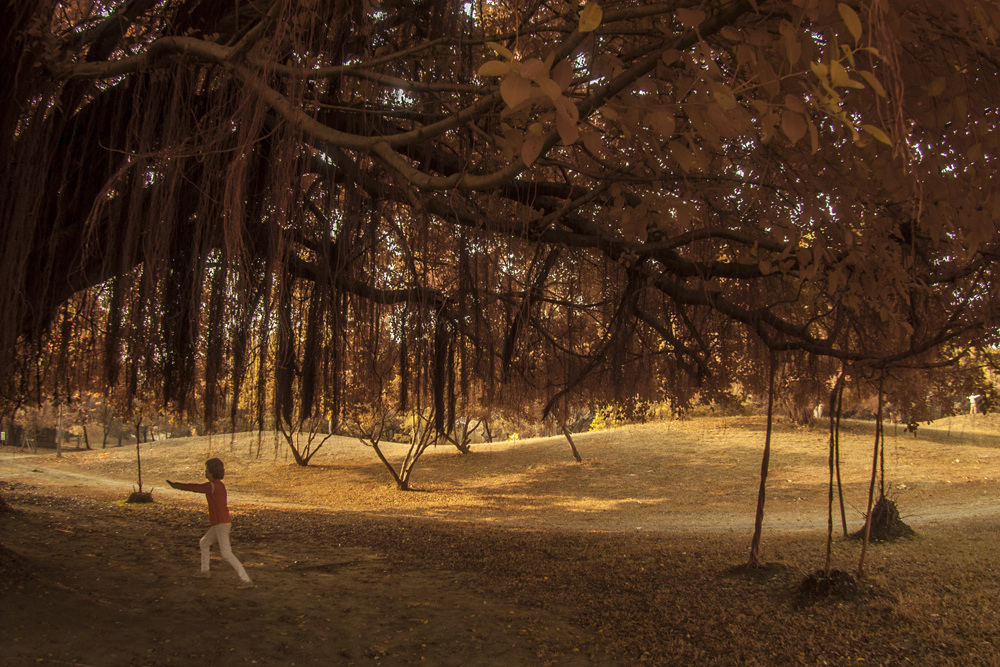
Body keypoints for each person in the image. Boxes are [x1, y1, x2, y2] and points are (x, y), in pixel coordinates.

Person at [167, 458, 254, 588]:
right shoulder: (219, 485)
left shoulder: (212, 486)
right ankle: (205, 571)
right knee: (204, 542)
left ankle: (246, 580)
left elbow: (195, 488)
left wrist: (177, 485)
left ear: (212, 472)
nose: (205, 473)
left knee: (226, 554)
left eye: (207, 470)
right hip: (221, 522)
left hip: (221, 523)